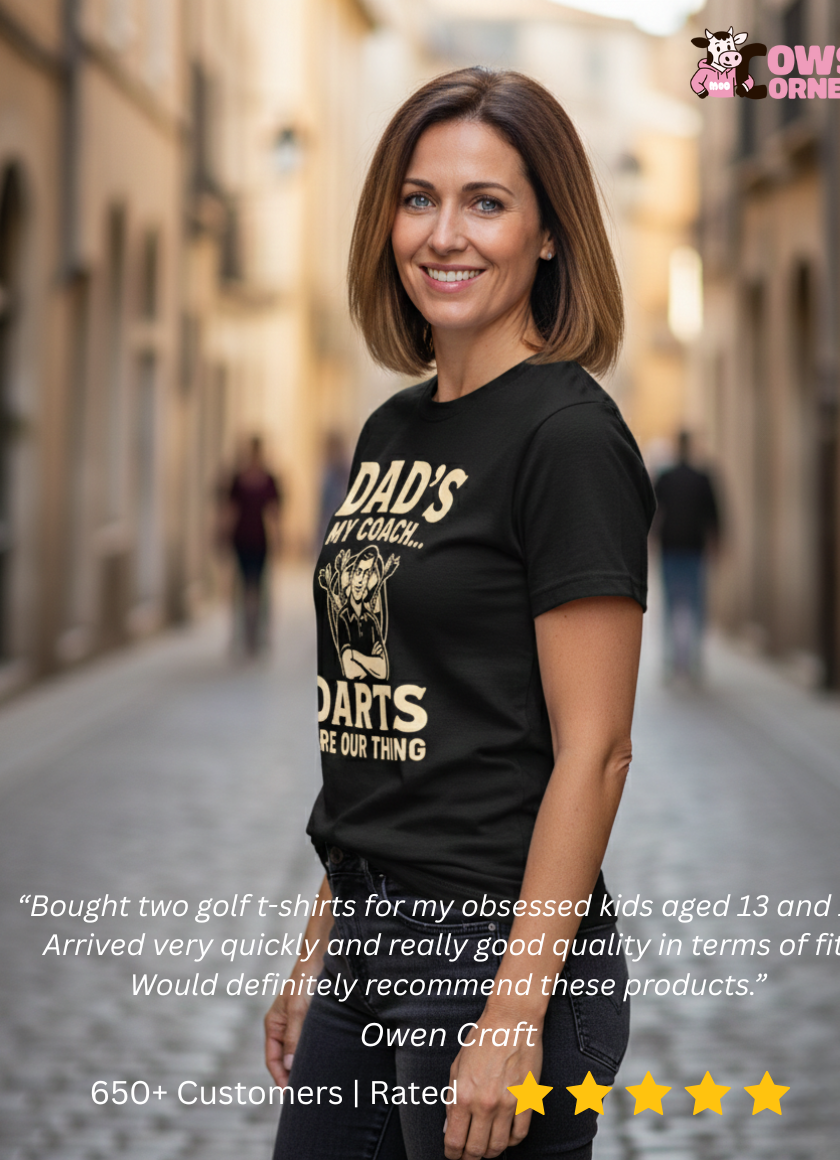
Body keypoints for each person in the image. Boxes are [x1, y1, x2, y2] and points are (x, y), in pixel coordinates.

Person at [264, 67, 655, 1160]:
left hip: (489, 949)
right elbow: (383, 726)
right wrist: (318, 951)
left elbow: (598, 749)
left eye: (485, 201)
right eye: (417, 196)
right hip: (368, 934)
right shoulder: (389, 430)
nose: (445, 233)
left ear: (545, 234)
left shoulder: (567, 438)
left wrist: (515, 1011)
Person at [653, 430, 721, 683]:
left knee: (672, 606)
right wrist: (716, 547)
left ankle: (673, 661)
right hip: (693, 548)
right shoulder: (701, 478)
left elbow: (652, 511)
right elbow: (714, 516)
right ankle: (692, 661)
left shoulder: (666, 477)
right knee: (695, 606)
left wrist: (650, 541)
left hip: (671, 547)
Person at [227, 435, 281, 655]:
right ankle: (240, 634)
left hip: (260, 540)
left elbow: (275, 512)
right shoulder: (238, 479)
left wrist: (278, 538)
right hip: (241, 539)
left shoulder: (269, 480)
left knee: (260, 588)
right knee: (241, 587)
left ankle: (260, 635)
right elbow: (229, 510)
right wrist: (222, 533)